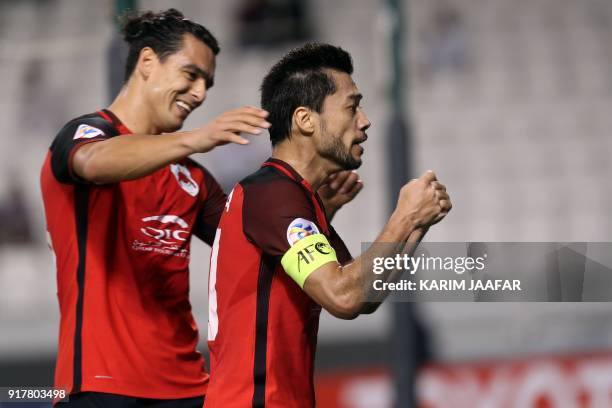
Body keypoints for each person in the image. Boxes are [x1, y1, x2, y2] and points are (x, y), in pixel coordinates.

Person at [40, 10, 360, 408]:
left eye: (206, 83)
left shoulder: (189, 178)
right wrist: (199, 138)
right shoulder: (87, 135)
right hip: (100, 386)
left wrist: (318, 211)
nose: (199, 93)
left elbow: (248, 242)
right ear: (147, 62)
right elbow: (92, 162)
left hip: (191, 389)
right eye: (190, 75)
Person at [204, 42, 452, 407]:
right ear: (305, 120)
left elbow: (364, 294)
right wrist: (405, 218)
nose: (364, 120)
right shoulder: (273, 195)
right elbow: (345, 296)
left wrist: (417, 226)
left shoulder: (293, 199)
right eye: (352, 106)